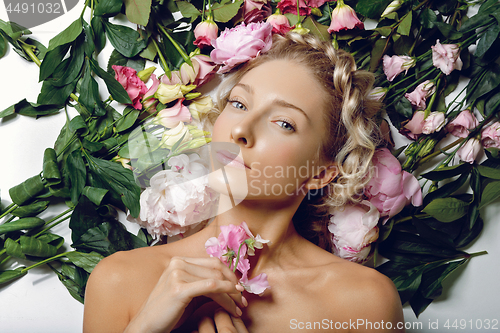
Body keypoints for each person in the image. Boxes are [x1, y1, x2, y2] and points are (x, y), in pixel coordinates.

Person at [83, 32, 405, 333]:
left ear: (320, 173)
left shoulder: (364, 303)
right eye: (238, 104)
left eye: (283, 123)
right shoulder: (119, 281)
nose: (241, 130)